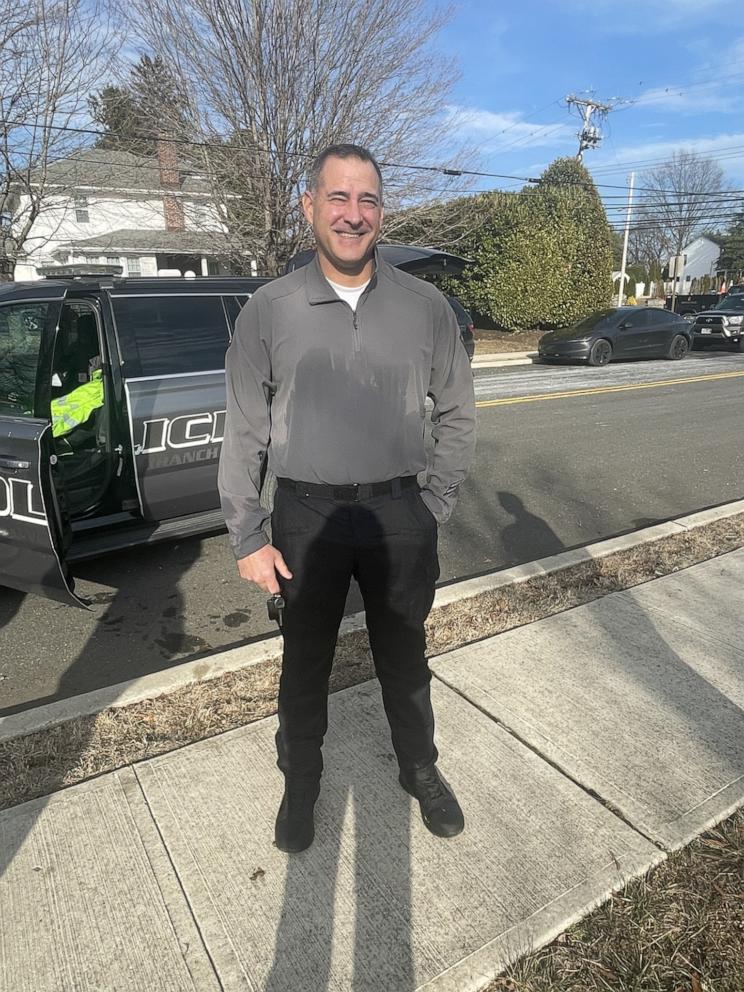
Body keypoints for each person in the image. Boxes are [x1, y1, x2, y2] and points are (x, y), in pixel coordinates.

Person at [218, 143, 476, 853]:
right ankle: (302, 780)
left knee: (405, 651)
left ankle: (418, 767)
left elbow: (457, 412)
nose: (352, 214)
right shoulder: (268, 310)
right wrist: (247, 533)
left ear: (382, 212)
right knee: (306, 661)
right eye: (338, 197)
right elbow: (244, 428)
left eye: (367, 200)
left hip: (401, 513)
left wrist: (434, 504)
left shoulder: (426, 308)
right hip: (306, 517)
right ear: (310, 207)